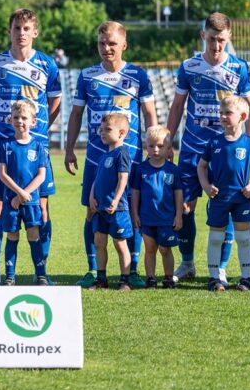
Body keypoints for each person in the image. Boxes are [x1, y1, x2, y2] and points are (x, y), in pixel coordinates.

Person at [65, 21, 157, 289]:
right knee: (92, 211)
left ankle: (133, 269)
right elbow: (76, 114)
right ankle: (94, 270)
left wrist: (156, 144)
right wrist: (69, 148)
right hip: (96, 158)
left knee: (132, 211)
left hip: (131, 158)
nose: (106, 48)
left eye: (112, 43)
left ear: (124, 45)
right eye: (102, 43)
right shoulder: (87, 76)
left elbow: (149, 113)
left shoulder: (138, 75)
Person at [167, 12, 250, 284]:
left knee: (226, 204)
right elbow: (177, 106)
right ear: (203, 35)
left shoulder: (239, 67)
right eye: (212, 39)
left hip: (227, 151)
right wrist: (169, 140)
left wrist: (249, 144)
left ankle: (221, 268)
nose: (216, 45)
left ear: (229, 38)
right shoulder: (189, 67)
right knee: (185, 206)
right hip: (193, 147)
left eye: (222, 40)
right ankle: (187, 263)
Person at [0, 8, 59, 286]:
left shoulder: (47, 64)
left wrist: (37, 131)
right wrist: (7, 128)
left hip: (35, 145)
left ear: (35, 32)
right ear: (10, 31)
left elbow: (54, 102)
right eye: (17, 28)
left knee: (41, 207)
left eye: (27, 29)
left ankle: (41, 272)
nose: (21, 33)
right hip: (2, 142)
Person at [197, 96, 250, 292]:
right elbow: (201, 167)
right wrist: (206, 186)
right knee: (215, 238)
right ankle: (214, 279)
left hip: (242, 199)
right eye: (221, 113)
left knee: (243, 238)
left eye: (228, 113)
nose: (222, 116)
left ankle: (246, 279)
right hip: (219, 198)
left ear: (242, 117)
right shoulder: (213, 142)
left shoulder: (249, 143)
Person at [0, 100, 49, 286]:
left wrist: (25, 194)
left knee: (33, 236)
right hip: (11, 200)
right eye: (16, 117)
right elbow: (3, 174)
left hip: (31, 201)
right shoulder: (6, 145)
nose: (20, 121)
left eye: (24, 118)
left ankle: (41, 275)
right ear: (11, 120)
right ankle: (10, 276)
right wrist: (19, 193)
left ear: (33, 122)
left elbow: (41, 175)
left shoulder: (38, 146)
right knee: (12, 236)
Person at [131, 125, 182, 289]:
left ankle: (168, 278)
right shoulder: (141, 169)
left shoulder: (173, 170)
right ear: (146, 147)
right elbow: (136, 193)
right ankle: (150, 279)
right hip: (147, 218)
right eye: (151, 146)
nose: (155, 150)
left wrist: (179, 215)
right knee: (150, 248)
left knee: (165, 249)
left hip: (167, 219)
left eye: (160, 146)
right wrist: (135, 214)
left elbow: (178, 193)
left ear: (168, 148)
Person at [88, 113, 134, 291]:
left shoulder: (122, 153)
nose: (102, 133)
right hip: (100, 208)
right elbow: (97, 179)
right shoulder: (104, 155)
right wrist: (91, 196)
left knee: (120, 243)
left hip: (117, 209)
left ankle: (125, 280)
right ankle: (101, 279)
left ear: (122, 133)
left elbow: (123, 178)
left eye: (107, 129)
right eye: (101, 129)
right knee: (99, 242)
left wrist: (115, 200)